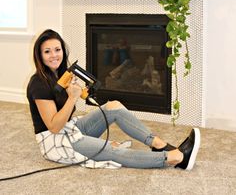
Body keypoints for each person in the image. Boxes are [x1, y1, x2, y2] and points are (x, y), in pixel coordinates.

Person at [27, 29, 201, 170]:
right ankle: (174, 158)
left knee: (113, 106)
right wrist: (72, 98)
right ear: (39, 55)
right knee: (112, 149)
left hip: (71, 128)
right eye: (47, 51)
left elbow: (66, 117)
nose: (54, 55)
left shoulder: (60, 75)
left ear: (63, 51)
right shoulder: (39, 84)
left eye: (57, 50)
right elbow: (54, 127)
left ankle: (159, 144)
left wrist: (75, 93)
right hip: (56, 141)